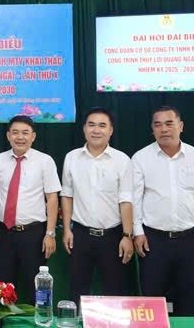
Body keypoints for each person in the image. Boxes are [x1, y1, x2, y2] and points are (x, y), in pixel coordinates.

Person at [130, 106, 194, 316]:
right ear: (152, 129)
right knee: (151, 304)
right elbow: (135, 200)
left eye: (169, 123)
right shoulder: (141, 158)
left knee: (188, 301)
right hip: (153, 241)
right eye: (158, 124)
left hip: (190, 240)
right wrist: (138, 232)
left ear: (181, 126)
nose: (164, 129)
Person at [61, 107, 133, 307]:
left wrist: (127, 236)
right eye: (91, 125)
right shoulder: (72, 157)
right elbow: (67, 195)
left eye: (102, 125)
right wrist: (66, 229)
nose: (96, 130)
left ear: (111, 130)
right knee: (77, 289)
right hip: (81, 235)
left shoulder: (122, 160)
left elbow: (126, 200)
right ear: (84, 128)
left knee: (114, 290)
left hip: (112, 236)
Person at [0, 115, 60, 303]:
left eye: (25, 133)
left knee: (33, 286)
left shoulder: (45, 161)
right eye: (15, 133)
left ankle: (35, 317)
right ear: (8, 136)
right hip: (4, 231)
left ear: (33, 136)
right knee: (3, 287)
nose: (20, 137)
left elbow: (52, 198)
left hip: (33, 234)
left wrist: (50, 233)